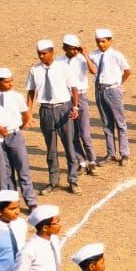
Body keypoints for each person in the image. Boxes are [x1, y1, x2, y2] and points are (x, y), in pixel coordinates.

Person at [26, 39, 80, 195]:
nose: (41, 56)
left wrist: (75, 106)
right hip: (46, 110)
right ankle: (53, 182)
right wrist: (28, 113)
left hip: (63, 108)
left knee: (69, 146)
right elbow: (31, 92)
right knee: (51, 149)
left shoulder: (63, 67)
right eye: (39, 54)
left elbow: (74, 88)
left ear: (52, 53)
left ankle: (73, 180)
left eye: (44, 53)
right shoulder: (34, 70)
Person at [0, 67, 36, 209]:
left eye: (11, 81)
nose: (10, 84)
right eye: (7, 82)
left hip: (14, 135)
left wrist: (20, 125)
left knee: (23, 169)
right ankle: (12, 201)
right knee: (7, 172)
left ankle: (31, 201)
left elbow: (25, 114)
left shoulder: (17, 96)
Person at [90, 28, 131, 166]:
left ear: (109, 41)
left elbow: (127, 71)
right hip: (99, 90)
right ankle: (110, 153)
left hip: (113, 90)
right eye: (98, 41)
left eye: (103, 41)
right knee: (107, 124)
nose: (100, 44)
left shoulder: (116, 55)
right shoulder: (93, 55)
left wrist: (118, 83)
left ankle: (124, 153)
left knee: (120, 123)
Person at [58, 35, 97, 176]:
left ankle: (92, 161)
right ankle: (81, 162)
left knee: (85, 133)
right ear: (64, 48)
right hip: (66, 97)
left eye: (76, 48)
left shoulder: (82, 59)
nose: (74, 51)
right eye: (71, 49)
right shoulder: (59, 61)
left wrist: (85, 54)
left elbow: (93, 70)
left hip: (81, 96)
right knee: (73, 134)